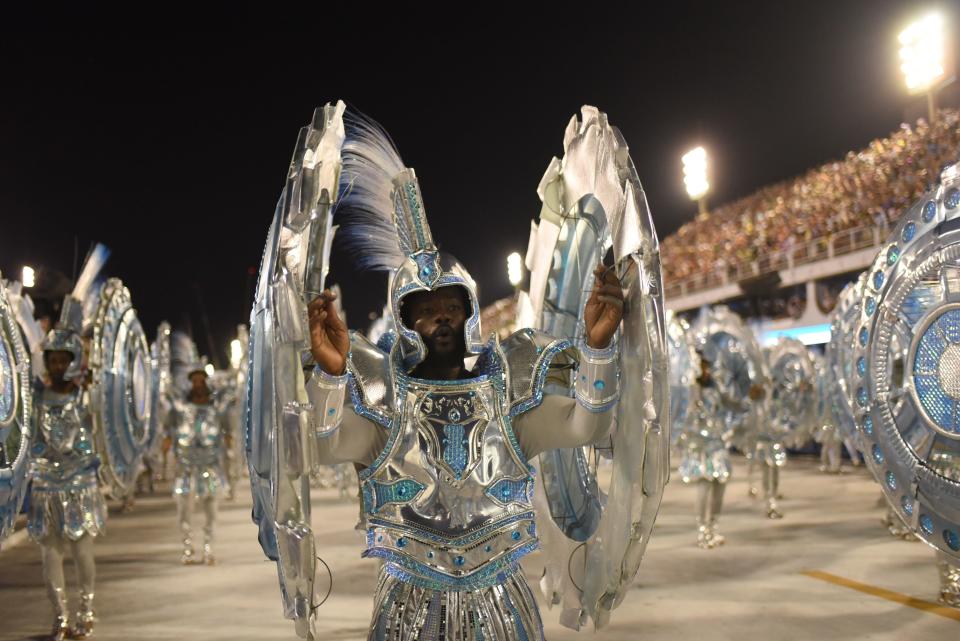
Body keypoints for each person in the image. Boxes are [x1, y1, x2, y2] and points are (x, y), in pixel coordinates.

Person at [304, 190, 623, 639]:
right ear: (404, 321)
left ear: (470, 314)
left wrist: (597, 349)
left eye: (452, 308)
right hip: (408, 607)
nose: (442, 319)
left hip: (500, 600)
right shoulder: (387, 404)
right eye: (427, 311)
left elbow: (589, 425)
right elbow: (324, 446)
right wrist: (331, 376)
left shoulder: (507, 395)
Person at [28, 327, 106, 640]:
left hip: (81, 483)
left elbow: (99, 434)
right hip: (46, 485)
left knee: (82, 552)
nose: (59, 366)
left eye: (64, 360)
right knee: (50, 555)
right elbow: (29, 438)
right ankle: (59, 615)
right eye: (54, 360)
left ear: (73, 361)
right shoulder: (34, 398)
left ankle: (86, 611)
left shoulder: (86, 396)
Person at [166, 365, 231, 565]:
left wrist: (228, 459)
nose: (198, 384)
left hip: (210, 467)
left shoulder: (217, 408)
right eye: (194, 381)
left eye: (201, 380)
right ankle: (187, 547)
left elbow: (226, 434)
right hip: (186, 468)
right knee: (184, 510)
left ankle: (208, 547)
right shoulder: (179, 408)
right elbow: (170, 433)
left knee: (211, 510)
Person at [679, 354, 732, 548]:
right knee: (705, 485)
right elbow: (687, 419)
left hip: (717, 443)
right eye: (703, 367)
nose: (706, 371)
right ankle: (702, 530)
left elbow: (727, 411)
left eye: (708, 367)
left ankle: (714, 528)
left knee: (721, 484)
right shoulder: (691, 391)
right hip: (701, 445)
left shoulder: (716, 389)